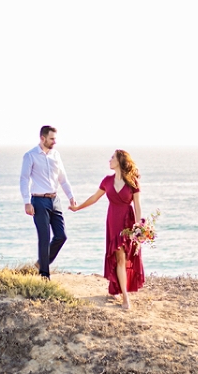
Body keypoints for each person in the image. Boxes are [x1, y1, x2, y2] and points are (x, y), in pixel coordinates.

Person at [69, 149, 144, 309]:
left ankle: (119, 289)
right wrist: (77, 207)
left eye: (112, 158)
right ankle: (125, 297)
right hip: (113, 222)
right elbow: (94, 198)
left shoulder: (133, 182)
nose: (109, 160)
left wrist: (139, 226)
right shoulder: (107, 181)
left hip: (127, 222)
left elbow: (137, 206)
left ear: (120, 161)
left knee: (125, 257)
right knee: (120, 257)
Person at [19, 125, 76, 280]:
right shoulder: (30, 156)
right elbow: (24, 179)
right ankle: (45, 275)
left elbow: (63, 178)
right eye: (51, 139)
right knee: (44, 238)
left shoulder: (56, 155)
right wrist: (26, 202)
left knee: (61, 236)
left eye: (55, 139)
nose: (54, 142)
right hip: (38, 201)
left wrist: (70, 196)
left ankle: (41, 263)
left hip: (55, 200)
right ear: (42, 138)